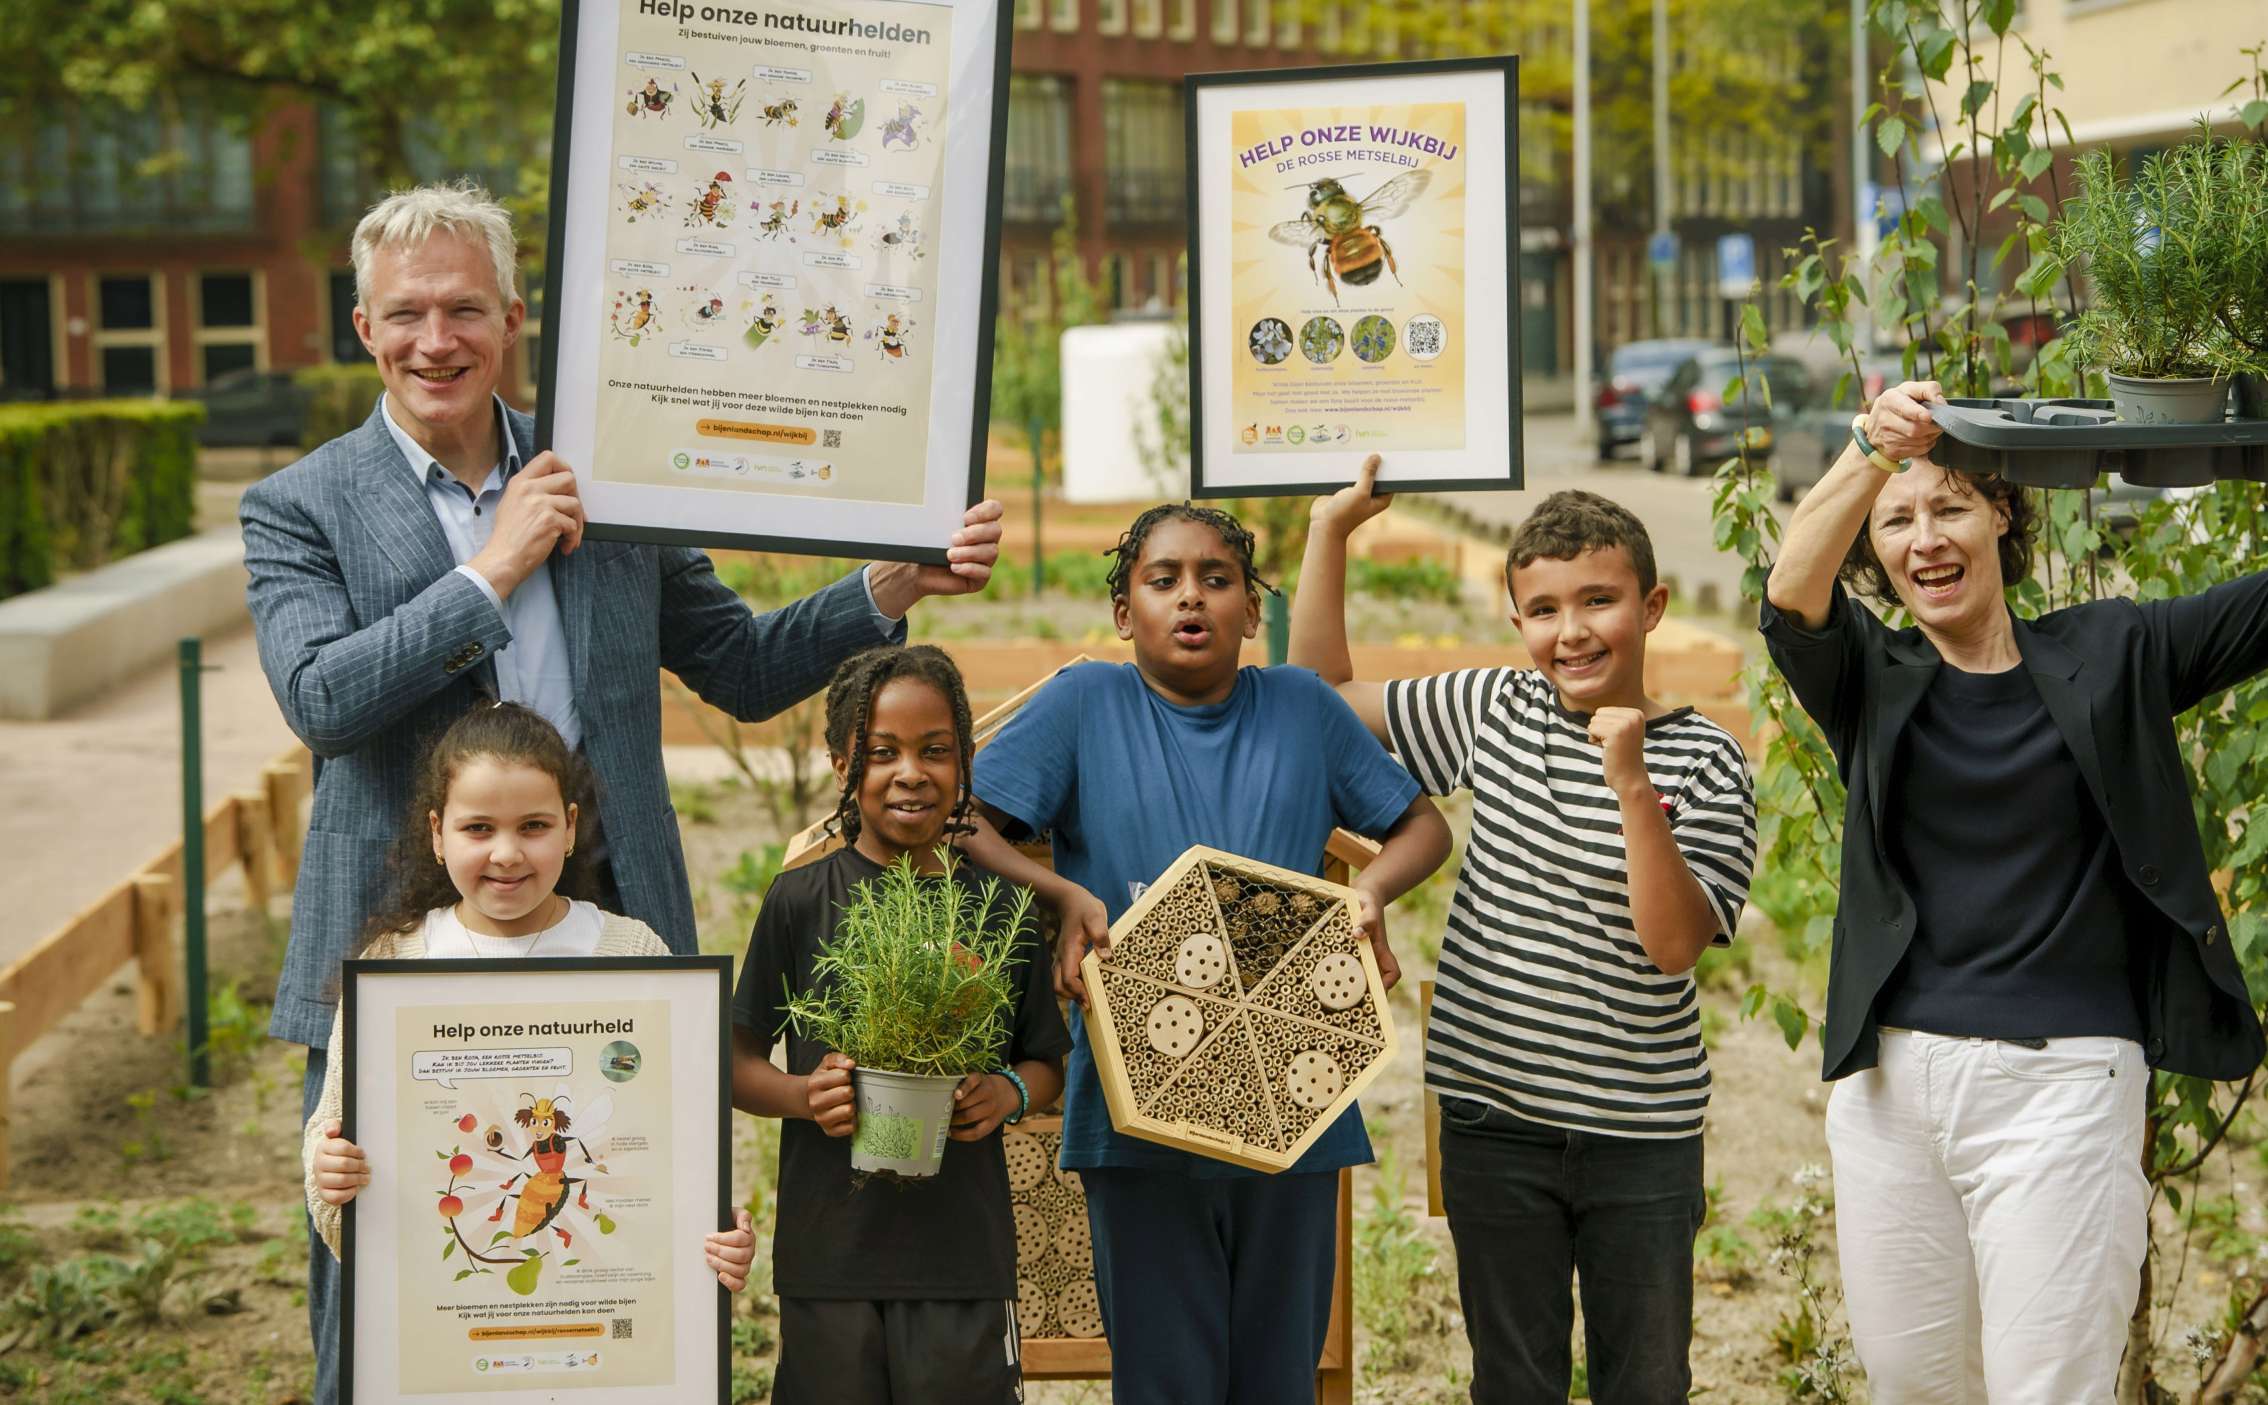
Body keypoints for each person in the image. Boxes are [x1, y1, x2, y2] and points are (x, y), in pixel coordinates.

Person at [241, 182, 1001, 1400]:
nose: (435, 340)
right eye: (406, 314)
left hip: (610, 931)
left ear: (514, 320)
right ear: (361, 326)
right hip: (401, 948)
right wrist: (491, 573)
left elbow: (744, 669)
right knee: (393, 1294)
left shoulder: (612, 475)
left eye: (464, 310)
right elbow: (321, 702)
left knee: (619, 1262)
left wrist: (890, 584)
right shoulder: (297, 506)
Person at [1758, 377, 2268, 1403]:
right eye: (1896, 521)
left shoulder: (2112, 652)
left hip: (2060, 1089)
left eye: (1949, 507)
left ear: (2000, 515)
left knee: (2050, 1387)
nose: (1924, 538)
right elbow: (1790, 590)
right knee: (1912, 1388)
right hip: (1891, 1093)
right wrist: (1867, 448)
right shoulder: (1869, 680)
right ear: (1876, 551)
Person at [957, 504, 1452, 1404]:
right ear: (1123, 614)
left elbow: (1422, 824)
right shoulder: (1084, 704)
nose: (1192, 597)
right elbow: (969, 826)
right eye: (1163, 580)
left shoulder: (1300, 705)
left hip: (1291, 1095)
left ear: (1252, 612)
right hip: (1136, 1105)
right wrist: (1064, 896)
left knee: (1277, 1378)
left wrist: (1370, 891)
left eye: (1218, 579)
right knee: (1165, 1382)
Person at [1294, 466, 1757, 1404]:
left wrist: (1632, 783)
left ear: (1652, 604)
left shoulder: (1709, 759)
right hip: (1491, 1116)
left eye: (1599, 600)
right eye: (1543, 609)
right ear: (1517, 622)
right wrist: (1329, 530)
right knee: (1512, 1380)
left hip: (1643, 1135)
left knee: (1648, 1381)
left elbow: (1672, 945)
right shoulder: (1495, 707)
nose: (1572, 630)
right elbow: (1318, 699)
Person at [302, 703, 757, 1312]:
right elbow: (330, 1126)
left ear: (571, 828)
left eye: (534, 826)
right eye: (479, 828)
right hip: (451, 1316)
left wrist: (712, 1228)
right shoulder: (395, 963)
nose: (508, 853)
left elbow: (681, 1140)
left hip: (596, 1316)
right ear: (437, 833)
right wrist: (328, 1170)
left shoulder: (633, 953)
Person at [731, 645, 1071, 1405]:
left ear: (966, 762)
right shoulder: (799, 899)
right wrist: (802, 1097)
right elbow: (736, 1058)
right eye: (881, 753)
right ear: (840, 762)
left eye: (935, 751)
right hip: (830, 1257)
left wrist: (1009, 1092)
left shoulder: (999, 908)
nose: (910, 772)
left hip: (962, 1258)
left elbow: (1053, 1058)